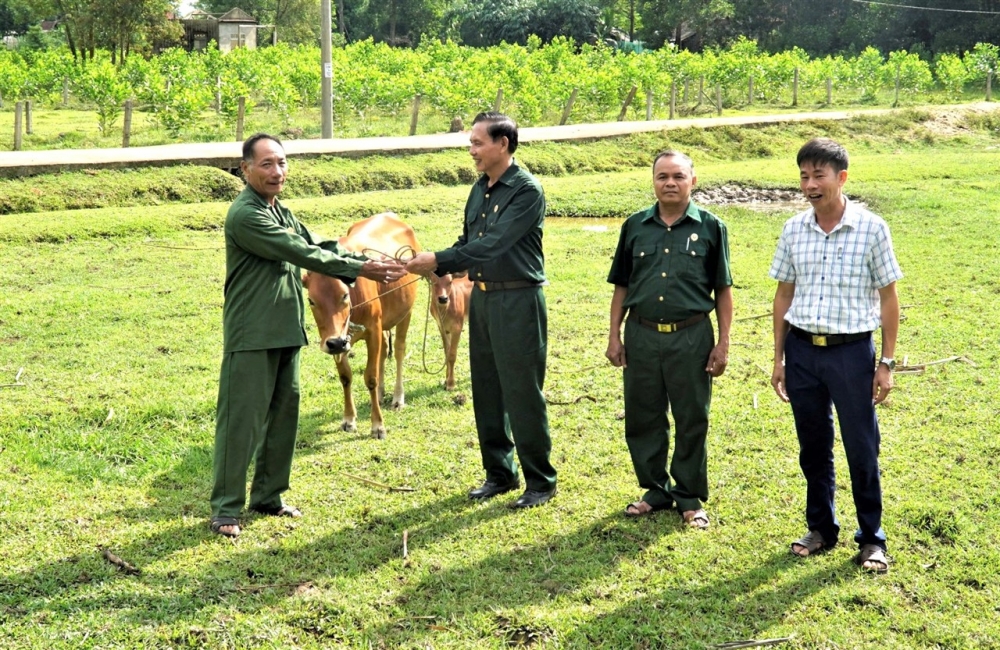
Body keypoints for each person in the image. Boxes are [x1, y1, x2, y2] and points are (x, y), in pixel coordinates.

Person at [211, 133, 405, 538]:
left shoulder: (279, 210)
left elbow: (319, 242)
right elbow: (303, 254)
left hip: (285, 328)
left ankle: (268, 496)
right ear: (245, 170)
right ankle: (226, 509)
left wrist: (362, 258)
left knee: (284, 416)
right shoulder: (247, 215)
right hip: (252, 330)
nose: (277, 171)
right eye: (266, 164)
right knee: (241, 421)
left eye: (281, 163)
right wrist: (358, 270)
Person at [405, 112, 557, 509]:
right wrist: (437, 267)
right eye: (471, 143)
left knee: (522, 391)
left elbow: (494, 245)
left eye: (477, 143)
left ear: (502, 144)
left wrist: (437, 257)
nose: (471, 150)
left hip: (519, 299)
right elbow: (469, 240)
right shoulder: (479, 189)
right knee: (487, 389)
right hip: (484, 299)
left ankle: (540, 481)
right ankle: (499, 474)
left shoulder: (526, 191)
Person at [769, 137, 902, 574]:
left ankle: (872, 539)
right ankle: (821, 528)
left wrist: (886, 362)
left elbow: (888, 298)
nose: (809, 184)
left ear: (841, 178)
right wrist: (779, 359)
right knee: (813, 446)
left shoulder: (872, 227)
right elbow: (783, 293)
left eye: (818, 175)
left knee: (862, 447)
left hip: (851, 354)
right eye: (804, 176)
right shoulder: (793, 229)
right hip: (803, 350)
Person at [605, 150, 733, 529]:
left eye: (678, 176)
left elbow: (723, 289)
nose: (670, 183)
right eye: (662, 177)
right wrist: (614, 334)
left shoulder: (711, 227)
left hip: (692, 335)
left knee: (692, 414)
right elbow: (622, 285)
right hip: (641, 334)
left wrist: (723, 342)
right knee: (644, 414)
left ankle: (689, 494)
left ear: (693, 180)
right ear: (653, 181)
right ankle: (655, 489)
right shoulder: (634, 226)